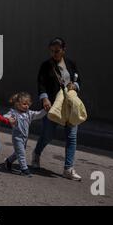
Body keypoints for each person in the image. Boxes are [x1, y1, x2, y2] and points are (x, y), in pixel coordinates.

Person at [32, 37, 82, 181]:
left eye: (57, 51)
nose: (54, 53)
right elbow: (40, 83)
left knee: (71, 137)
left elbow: (78, 80)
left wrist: (75, 86)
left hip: (70, 106)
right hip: (53, 105)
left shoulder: (71, 64)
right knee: (47, 135)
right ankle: (36, 154)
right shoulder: (46, 65)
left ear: (63, 50)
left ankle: (68, 168)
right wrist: (44, 98)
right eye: (52, 51)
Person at [3, 92, 46, 176]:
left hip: (25, 138)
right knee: (21, 153)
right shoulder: (14, 113)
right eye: (24, 104)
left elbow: (38, 115)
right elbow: (5, 116)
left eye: (28, 104)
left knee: (17, 153)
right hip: (17, 138)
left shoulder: (28, 113)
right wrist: (9, 119)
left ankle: (8, 161)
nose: (27, 106)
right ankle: (24, 169)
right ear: (17, 104)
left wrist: (45, 110)